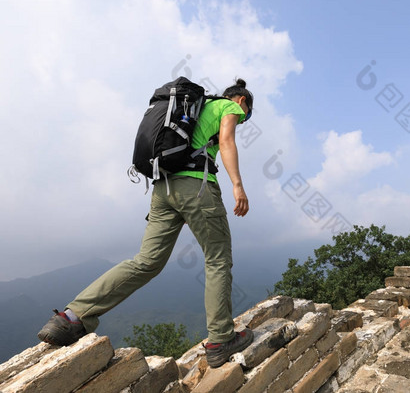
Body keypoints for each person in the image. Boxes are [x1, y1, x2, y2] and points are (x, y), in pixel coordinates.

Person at [37, 78, 255, 368]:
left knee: (146, 261)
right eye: (247, 116)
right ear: (241, 101)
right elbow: (226, 141)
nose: (244, 119)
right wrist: (238, 186)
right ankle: (221, 339)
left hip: (163, 188)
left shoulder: (192, 108)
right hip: (197, 187)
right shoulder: (229, 106)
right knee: (217, 259)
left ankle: (72, 317)